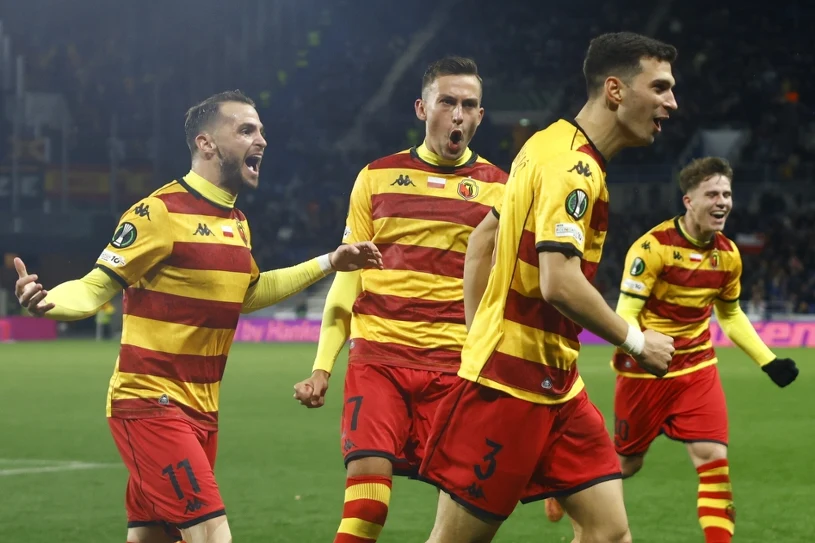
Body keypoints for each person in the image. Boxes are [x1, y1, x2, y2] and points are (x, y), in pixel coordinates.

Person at [14, 90, 383, 543]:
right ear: (206, 144)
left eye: (261, 131)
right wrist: (48, 301)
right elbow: (95, 285)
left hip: (202, 412)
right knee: (212, 534)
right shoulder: (159, 212)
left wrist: (330, 261)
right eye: (245, 130)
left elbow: (249, 292)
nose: (261, 140)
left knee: (153, 537)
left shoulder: (238, 223)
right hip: (151, 405)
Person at [417, 32, 679, 543]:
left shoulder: (546, 144)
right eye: (660, 87)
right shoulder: (572, 168)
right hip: (508, 388)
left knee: (608, 532)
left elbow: (482, 241)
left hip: (557, 383)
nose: (671, 103)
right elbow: (559, 282)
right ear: (615, 90)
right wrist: (635, 341)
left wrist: (479, 336)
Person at [292, 56, 508, 542]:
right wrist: (323, 366)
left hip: (456, 365)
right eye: (446, 102)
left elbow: (505, 290)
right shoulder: (376, 177)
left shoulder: (502, 189)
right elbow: (348, 277)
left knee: (462, 522)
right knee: (367, 504)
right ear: (421, 108)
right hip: (379, 359)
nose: (457, 114)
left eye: (468, 105)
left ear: (480, 115)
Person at [607, 156, 799, 543]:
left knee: (713, 458)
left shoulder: (728, 255)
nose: (722, 201)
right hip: (646, 371)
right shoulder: (652, 247)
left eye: (726, 194)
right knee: (627, 463)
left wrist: (769, 362)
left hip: (697, 369)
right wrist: (642, 348)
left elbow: (730, 315)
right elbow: (624, 313)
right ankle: (568, 485)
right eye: (712, 194)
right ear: (688, 201)